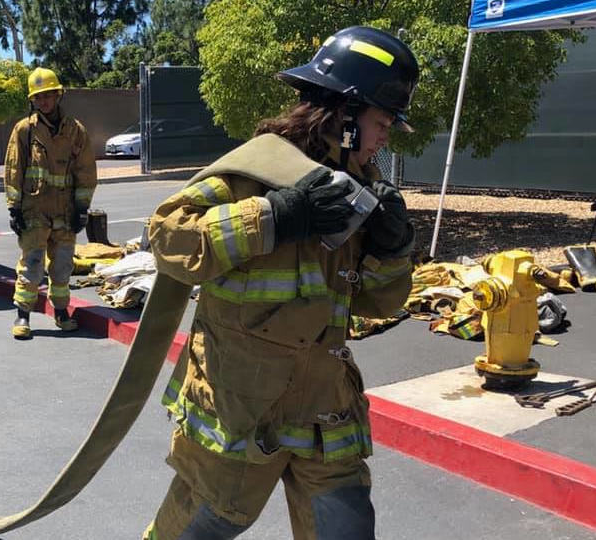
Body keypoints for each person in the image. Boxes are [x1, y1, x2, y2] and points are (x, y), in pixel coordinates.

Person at [142, 26, 419, 539]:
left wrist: (392, 249)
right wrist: (272, 217)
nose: (386, 137)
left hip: (325, 414)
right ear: (347, 114)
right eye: (384, 122)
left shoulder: (363, 191)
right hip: (240, 412)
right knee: (199, 528)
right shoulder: (252, 173)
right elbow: (166, 241)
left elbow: (378, 304)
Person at [3, 67, 97, 340]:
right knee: (32, 264)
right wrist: (14, 207)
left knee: (62, 265)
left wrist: (82, 208)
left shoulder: (76, 131)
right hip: (34, 211)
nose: (43, 101)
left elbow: (86, 170)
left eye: (48, 95)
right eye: (38, 97)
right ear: (32, 100)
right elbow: (13, 169)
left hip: (65, 211)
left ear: (58, 95)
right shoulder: (24, 130)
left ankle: (61, 313)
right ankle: (23, 314)